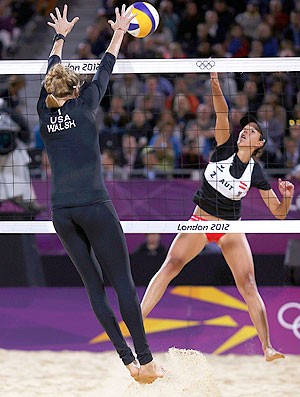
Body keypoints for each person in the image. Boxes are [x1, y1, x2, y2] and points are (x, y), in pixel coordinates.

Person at [37, 4, 163, 384]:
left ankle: (127, 361)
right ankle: (147, 361)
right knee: (122, 283)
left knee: (94, 287)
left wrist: (59, 38)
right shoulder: (87, 104)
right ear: (76, 89)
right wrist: (121, 30)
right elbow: (106, 64)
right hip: (94, 205)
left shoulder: (43, 112)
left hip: (62, 211)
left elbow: (51, 73)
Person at [141, 72, 295, 362]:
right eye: (244, 129)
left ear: (260, 143)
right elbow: (222, 112)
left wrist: (286, 196)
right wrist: (214, 82)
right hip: (200, 222)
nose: (244, 132)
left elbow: (279, 214)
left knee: (247, 283)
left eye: (251, 132)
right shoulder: (224, 149)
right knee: (171, 265)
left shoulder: (256, 173)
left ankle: (267, 347)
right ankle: (137, 323)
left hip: (229, 228)